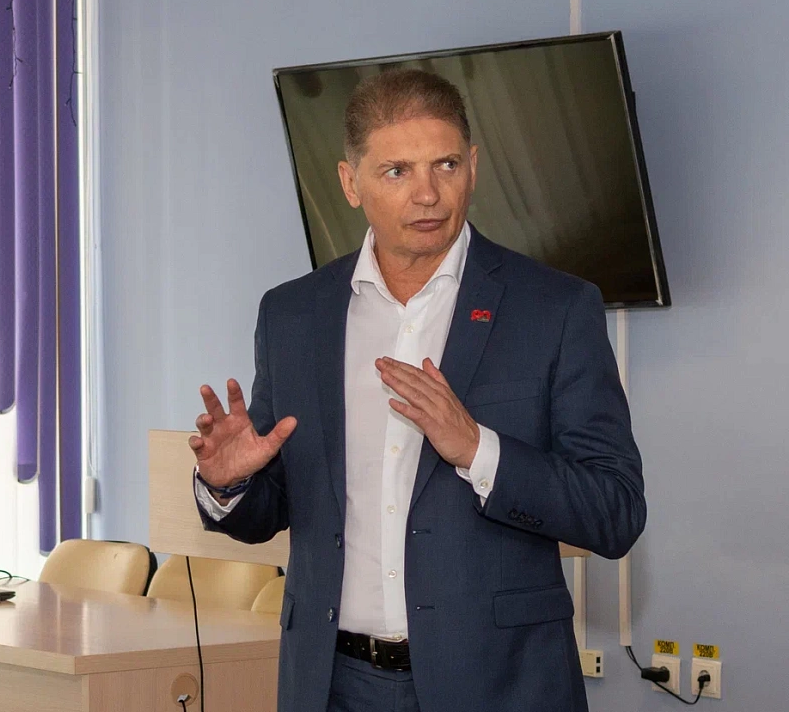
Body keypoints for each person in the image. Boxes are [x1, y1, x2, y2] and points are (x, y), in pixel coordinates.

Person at [190, 68, 645, 712]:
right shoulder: (293, 315)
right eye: (397, 171)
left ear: (474, 167)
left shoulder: (554, 309)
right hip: (332, 683)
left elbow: (615, 510)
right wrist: (230, 484)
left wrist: (478, 450)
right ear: (351, 183)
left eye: (446, 165)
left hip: (498, 685)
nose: (428, 193)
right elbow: (277, 509)